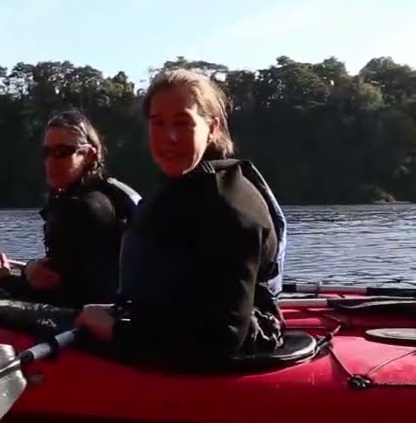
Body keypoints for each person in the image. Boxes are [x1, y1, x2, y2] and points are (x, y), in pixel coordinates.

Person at [74, 67, 289, 366]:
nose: (169, 137)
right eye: (158, 123)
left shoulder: (229, 209)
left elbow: (220, 339)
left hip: (220, 355)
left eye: (183, 122)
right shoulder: (183, 187)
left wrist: (116, 328)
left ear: (212, 128)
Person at [0, 109, 142, 308]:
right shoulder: (107, 197)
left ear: (89, 155)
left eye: (62, 152)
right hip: (115, 305)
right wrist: (30, 269)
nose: (51, 161)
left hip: (80, 319)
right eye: (46, 152)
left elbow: (51, 295)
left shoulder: (76, 208)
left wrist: (4, 278)